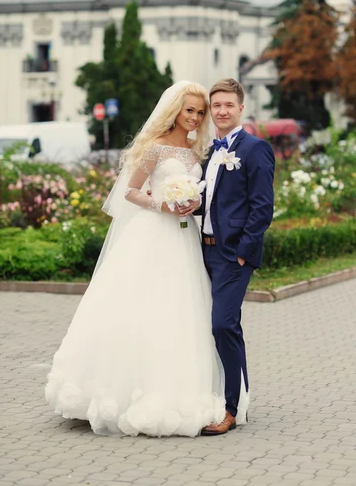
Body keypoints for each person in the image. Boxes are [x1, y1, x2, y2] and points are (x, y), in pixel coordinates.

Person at [45, 81, 226, 437]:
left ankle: (178, 390)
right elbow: (129, 192)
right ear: (174, 110)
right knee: (140, 307)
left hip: (183, 237)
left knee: (181, 311)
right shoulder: (155, 150)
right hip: (152, 234)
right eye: (189, 110)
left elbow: (202, 193)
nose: (195, 117)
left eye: (200, 112)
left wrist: (192, 204)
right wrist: (162, 204)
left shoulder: (196, 152)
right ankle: (121, 391)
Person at [195, 78, 275, 435]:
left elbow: (262, 207)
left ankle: (230, 410)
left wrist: (243, 252)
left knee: (222, 324)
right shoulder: (211, 152)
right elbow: (211, 202)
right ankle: (237, 402)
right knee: (226, 327)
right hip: (203, 251)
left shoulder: (255, 148)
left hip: (232, 255)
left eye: (229, 105)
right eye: (216, 106)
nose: (222, 111)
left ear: (241, 108)